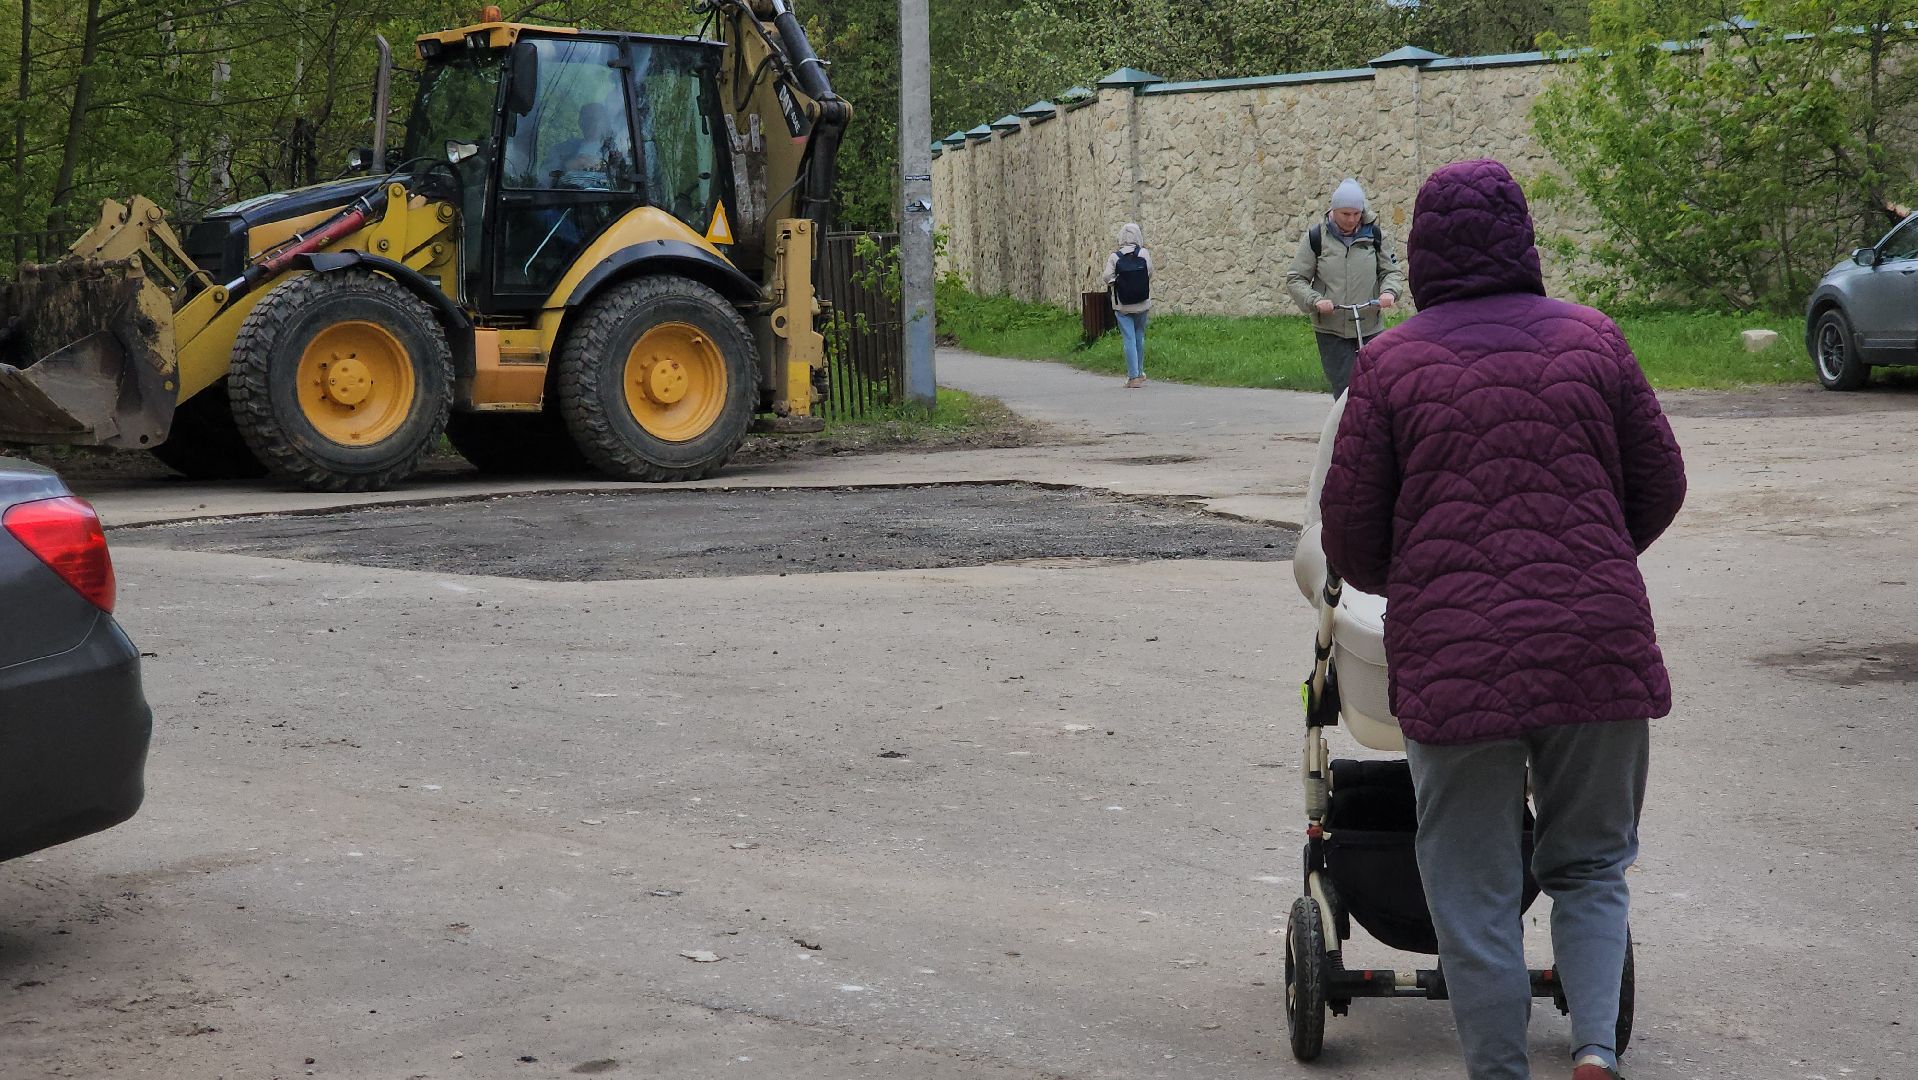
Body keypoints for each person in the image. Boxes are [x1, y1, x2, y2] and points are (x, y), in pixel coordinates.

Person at [1318, 159, 1686, 1080]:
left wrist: (1424, 575)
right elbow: (1661, 484)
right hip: (1597, 649)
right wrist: (1591, 556)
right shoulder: (1593, 340)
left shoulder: (1392, 363)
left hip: (1455, 657)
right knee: (1593, 863)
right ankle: (1595, 1049)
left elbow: (1353, 539)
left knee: (1472, 889)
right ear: (1523, 237)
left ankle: (1499, 1070)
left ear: (1421, 252)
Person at [1285, 178, 1406, 396]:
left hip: (1370, 326)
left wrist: (1389, 292)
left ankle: (1375, 429)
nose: (1351, 220)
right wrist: (1315, 301)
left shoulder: (1375, 236)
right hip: (1332, 329)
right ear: (1334, 209)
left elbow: (1391, 272)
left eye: (1356, 214)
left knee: (1379, 385)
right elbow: (1296, 279)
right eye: (1345, 214)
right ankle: (1347, 427)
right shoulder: (1316, 238)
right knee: (1345, 389)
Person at [1102, 223, 1153, 388]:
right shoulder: (1143, 253)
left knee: (1129, 339)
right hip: (1142, 302)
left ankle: (1133, 377)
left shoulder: (1115, 257)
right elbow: (1149, 272)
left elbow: (1107, 277)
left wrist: (1118, 282)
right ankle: (1140, 371)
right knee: (1139, 337)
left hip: (1122, 305)